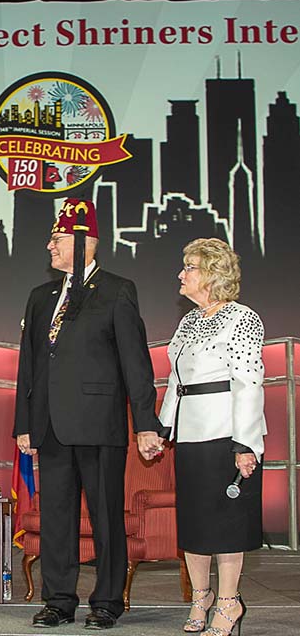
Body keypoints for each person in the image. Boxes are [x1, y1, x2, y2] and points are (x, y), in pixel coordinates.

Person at [12, 198, 162, 630]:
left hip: (100, 423)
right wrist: (25, 423)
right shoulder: (40, 298)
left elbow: (136, 363)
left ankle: (107, 602)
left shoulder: (117, 289)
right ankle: (58, 600)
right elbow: (30, 364)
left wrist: (146, 423)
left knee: (106, 517)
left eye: (56, 239)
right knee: (56, 517)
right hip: (52, 425)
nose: (49, 247)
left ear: (84, 243)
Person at [157, 238, 265, 636]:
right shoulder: (188, 321)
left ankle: (228, 602)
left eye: (189, 267)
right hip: (190, 435)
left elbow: (249, 383)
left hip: (226, 435)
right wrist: (163, 427)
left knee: (226, 525)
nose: (181, 274)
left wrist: (247, 443)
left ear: (213, 275)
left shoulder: (242, 318)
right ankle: (200, 597)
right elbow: (176, 382)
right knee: (195, 525)